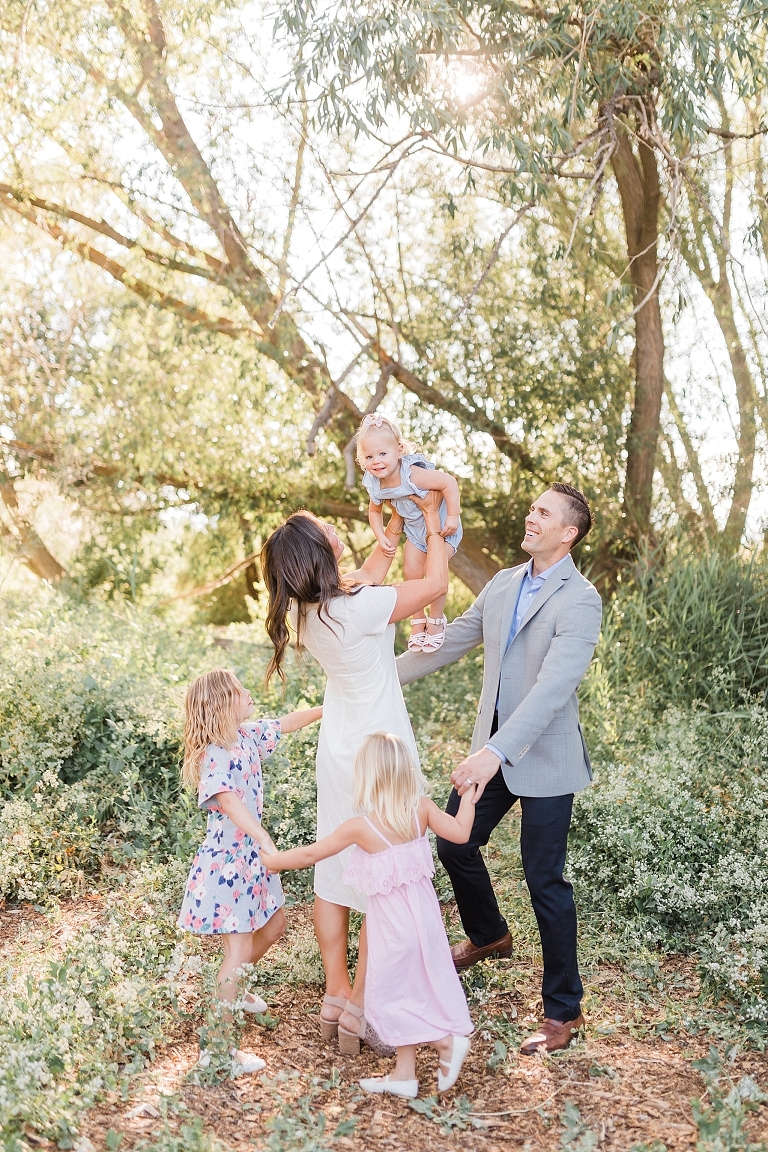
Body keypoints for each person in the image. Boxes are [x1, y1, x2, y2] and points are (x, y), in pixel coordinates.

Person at [397, 483, 603, 1056]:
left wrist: (495, 752)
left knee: (545, 882)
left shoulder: (580, 599)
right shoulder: (504, 582)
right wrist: (376, 674)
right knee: (455, 843)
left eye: (543, 513)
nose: (530, 517)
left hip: (544, 758)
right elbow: (452, 641)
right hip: (491, 750)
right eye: (532, 507)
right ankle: (489, 936)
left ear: (569, 533)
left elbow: (553, 689)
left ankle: (565, 1010)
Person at [260, 493, 448, 1055]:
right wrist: (432, 523)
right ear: (321, 549)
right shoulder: (358, 608)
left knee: (338, 868)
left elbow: (369, 573)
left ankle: (335, 993)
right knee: (384, 870)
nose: (329, 523)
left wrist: (395, 520)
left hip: (338, 748)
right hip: (380, 750)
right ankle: (364, 1005)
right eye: (322, 525)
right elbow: (434, 586)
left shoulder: (311, 608)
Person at [262, 732, 476, 1098]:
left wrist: (273, 860)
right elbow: (460, 832)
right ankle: (404, 1074)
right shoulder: (421, 808)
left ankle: (445, 1043)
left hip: (392, 932)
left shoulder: (362, 827)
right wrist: (469, 799)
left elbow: (312, 855)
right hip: (425, 924)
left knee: (389, 997)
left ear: (368, 776)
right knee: (409, 992)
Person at [178, 667, 322, 1072]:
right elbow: (225, 798)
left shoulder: (247, 736)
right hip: (230, 863)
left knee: (275, 926)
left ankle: (233, 988)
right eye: (240, 691)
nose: (247, 693)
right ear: (225, 704)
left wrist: (329, 707)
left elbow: (286, 723)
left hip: (250, 860)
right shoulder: (215, 753)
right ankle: (218, 1051)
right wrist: (262, 836)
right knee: (237, 952)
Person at [357, 412, 462, 651]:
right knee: (411, 570)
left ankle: (436, 619)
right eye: (369, 456)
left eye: (383, 454)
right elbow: (374, 511)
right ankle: (418, 620)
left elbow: (449, 483)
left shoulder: (411, 473)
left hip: (443, 528)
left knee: (433, 572)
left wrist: (454, 516)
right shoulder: (374, 483)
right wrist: (380, 535)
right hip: (415, 532)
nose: (377, 461)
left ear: (399, 450)